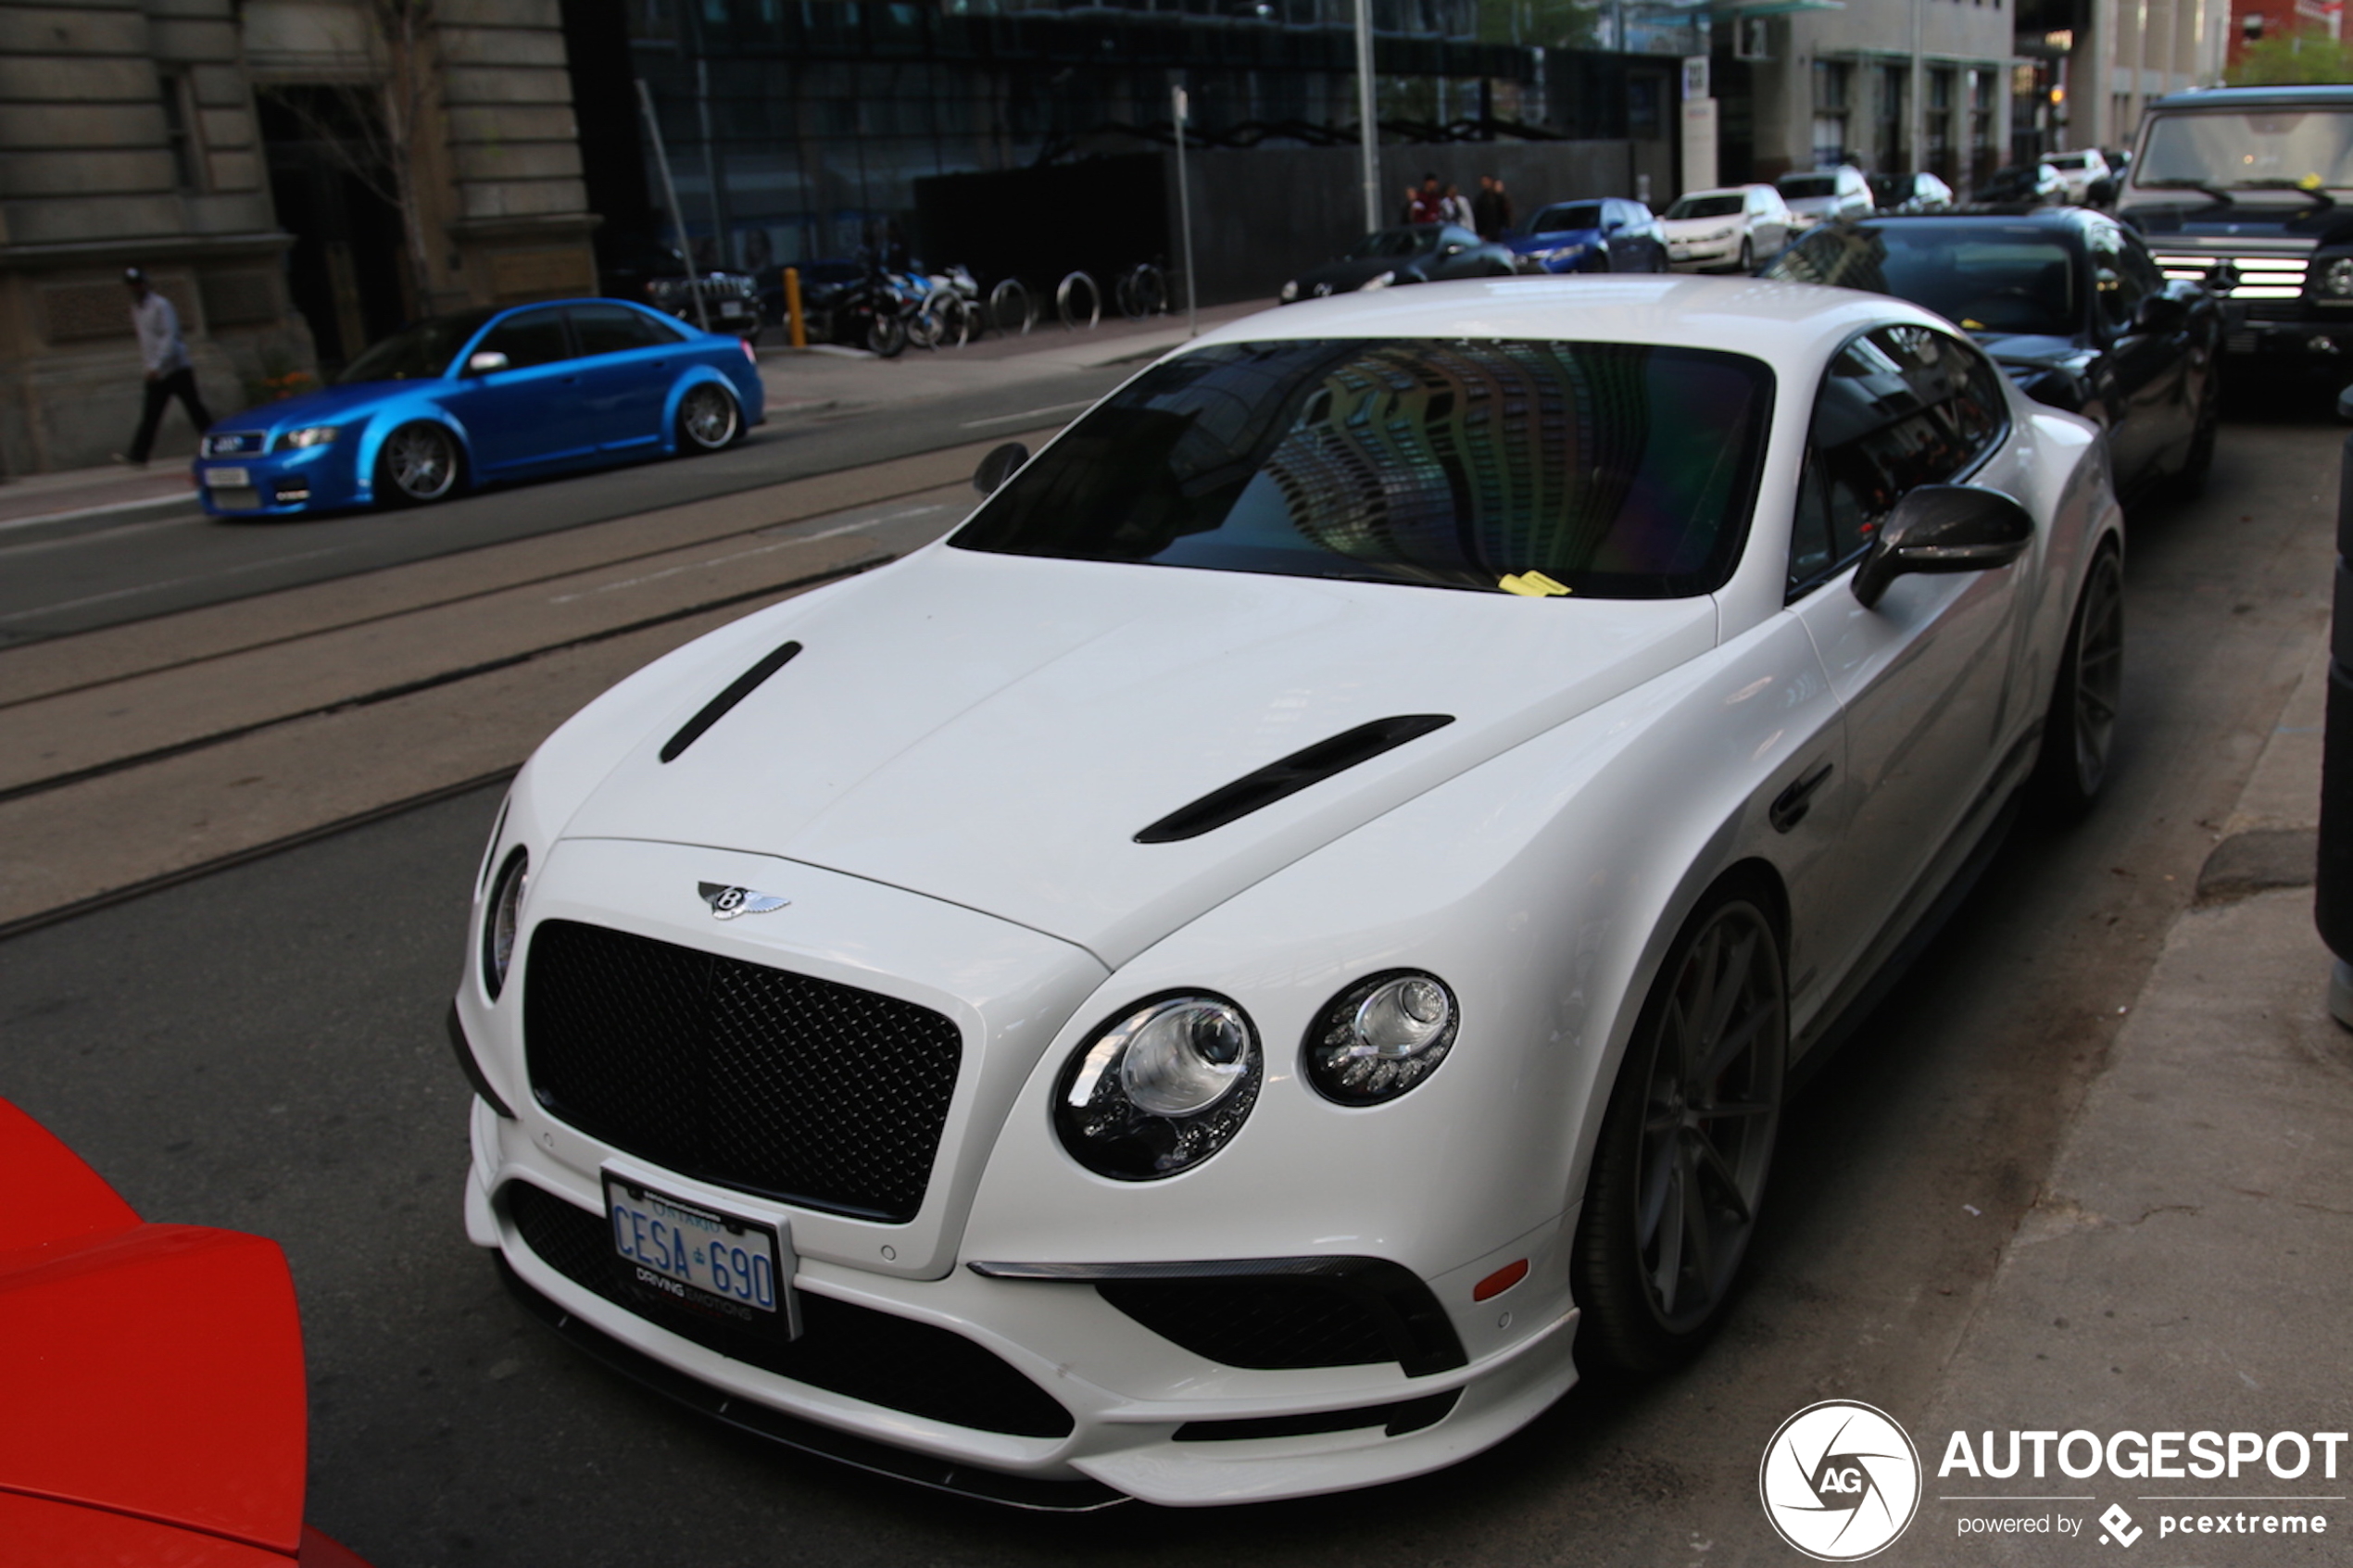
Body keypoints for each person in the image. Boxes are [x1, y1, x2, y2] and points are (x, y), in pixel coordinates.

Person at [122, 267, 213, 466]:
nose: (137, 288)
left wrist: (156, 364)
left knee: (195, 409)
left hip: (176, 368)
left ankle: (216, 445)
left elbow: (169, 338)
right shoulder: (136, 309)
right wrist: (149, 366)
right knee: (151, 414)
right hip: (157, 372)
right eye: (132, 285)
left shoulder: (161, 306)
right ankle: (138, 455)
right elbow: (146, 342)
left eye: (139, 283)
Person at [1473, 173, 1514, 240]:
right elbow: (1478, 217)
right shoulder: (1481, 199)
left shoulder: (1499, 197)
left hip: (1500, 229)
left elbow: (1506, 211)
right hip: (1488, 231)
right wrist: (1481, 233)